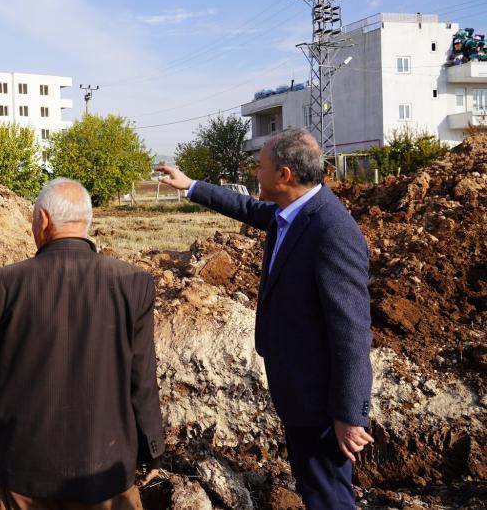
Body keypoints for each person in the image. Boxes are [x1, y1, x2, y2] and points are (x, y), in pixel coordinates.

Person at [156, 127, 374, 509]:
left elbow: (352, 331)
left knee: (328, 495)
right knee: (315, 488)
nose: (255, 174)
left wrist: (348, 414)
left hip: (319, 400)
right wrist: (190, 186)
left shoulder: (331, 231)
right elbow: (247, 208)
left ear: (284, 175)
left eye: (260, 167)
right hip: (298, 389)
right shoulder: (293, 213)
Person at [0, 177, 163, 510]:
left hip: (28, 472)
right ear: (86, 222)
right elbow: (141, 379)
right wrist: (152, 450)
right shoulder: (133, 284)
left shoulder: (5, 285)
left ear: (42, 220)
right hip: (105, 471)